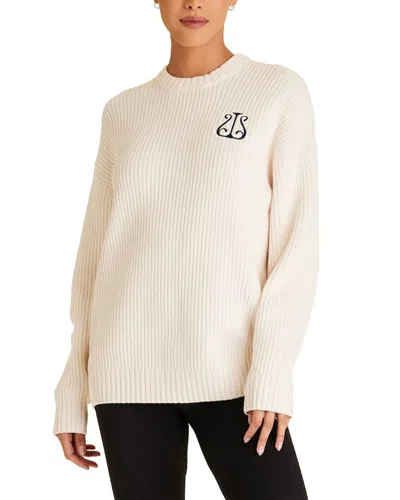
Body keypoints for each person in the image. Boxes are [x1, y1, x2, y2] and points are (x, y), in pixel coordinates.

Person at [53, 1, 319, 498]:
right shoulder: (123, 111)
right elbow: (95, 256)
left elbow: (294, 246)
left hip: (237, 376)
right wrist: (73, 387)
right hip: (126, 372)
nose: (193, 3)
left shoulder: (277, 91)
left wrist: (272, 372)